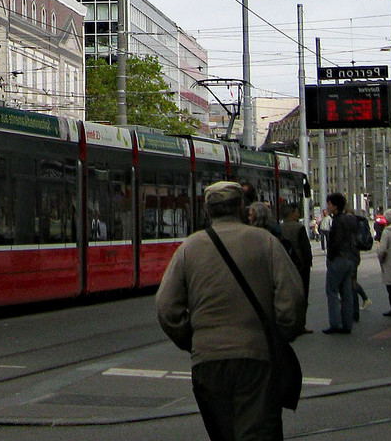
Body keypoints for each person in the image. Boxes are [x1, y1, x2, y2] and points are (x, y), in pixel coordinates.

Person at [155, 181, 304, 441]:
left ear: (207, 210)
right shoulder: (265, 242)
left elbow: (166, 307)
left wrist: (193, 340)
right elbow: (292, 299)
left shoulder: (189, 248)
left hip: (207, 361)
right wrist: (282, 333)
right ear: (242, 207)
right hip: (256, 357)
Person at [317, 192, 369, 334]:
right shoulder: (351, 219)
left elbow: (336, 242)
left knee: (332, 291)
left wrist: (330, 257)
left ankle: (335, 323)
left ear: (335, 205)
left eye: (329, 204)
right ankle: (347, 323)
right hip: (350, 259)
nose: (327, 206)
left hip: (338, 259)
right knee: (346, 292)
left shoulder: (338, 221)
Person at [269, 200, 313, 335]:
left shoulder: (279, 227)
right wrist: (308, 263)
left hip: (284, 263)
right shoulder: (299, 228)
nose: (299, 213)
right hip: (300, 266)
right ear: (292, 214)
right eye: (297, 211)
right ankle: (301, 324)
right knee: (301, 294)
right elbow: (305, 249)